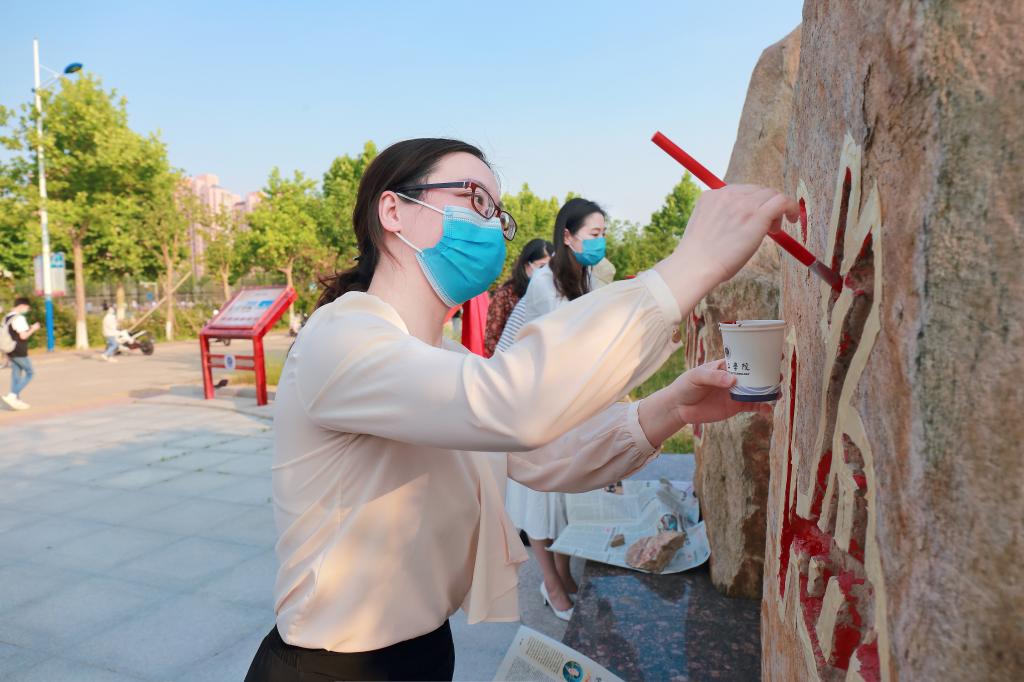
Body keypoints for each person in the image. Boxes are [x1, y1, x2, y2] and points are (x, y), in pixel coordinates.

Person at [244, 138, 795, 681]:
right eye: (474, 198)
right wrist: (691, 265)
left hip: (420, 652)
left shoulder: (444, 359)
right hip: (331, 666)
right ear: (393, 210)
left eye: (497, 213)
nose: (490, 225)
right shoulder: (341, 337)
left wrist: (671, 408)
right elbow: (513, 403)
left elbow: (546, 456)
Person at [501, 197, 609, 619]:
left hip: (570, 402)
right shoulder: (545, 285)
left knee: (567, 496)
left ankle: (563, 575)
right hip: (537, 401)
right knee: (541, 500)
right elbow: (563, 351)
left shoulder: (588, 277)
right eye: (593, 234)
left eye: (603, 234)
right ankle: (551, 583)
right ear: (568, 236)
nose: (600, 242)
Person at [483, 238, 553, 356]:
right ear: (526, 264)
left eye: (549, 267)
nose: (545, 272)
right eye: (542, 266)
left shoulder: (549, 294)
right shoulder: (506, 295)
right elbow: (492, 337)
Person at [2, 297, 40, 411]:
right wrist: (33, 328)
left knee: (16, 373)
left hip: (9, 349)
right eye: (27, 308)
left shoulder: (7, 317)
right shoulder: (19, 318)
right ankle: (13, 395)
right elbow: (23, 336)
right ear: (22, 306)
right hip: (19, 350)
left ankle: (16, 399)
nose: (27, 310)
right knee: (30, 372)